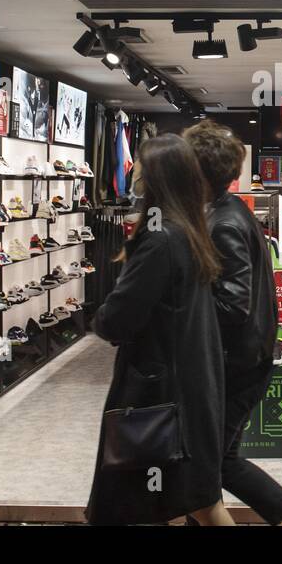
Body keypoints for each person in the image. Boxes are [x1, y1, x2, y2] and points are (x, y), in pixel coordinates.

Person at [183, 121, 282, 527]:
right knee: (218, 462)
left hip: (237, 365)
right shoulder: (227, 214)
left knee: (205, 466)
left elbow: (233, 304)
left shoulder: (223, 223)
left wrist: (183, 314)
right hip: (246, 359)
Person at [86, 134, 234, 526]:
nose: (134, 175)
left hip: (157, 396)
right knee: (192, 499)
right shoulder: (190, 232)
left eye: (140, 169)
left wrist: (98, 315)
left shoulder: (160, 239)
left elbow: (117, 318)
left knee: (148, 501)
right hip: (189, 390)